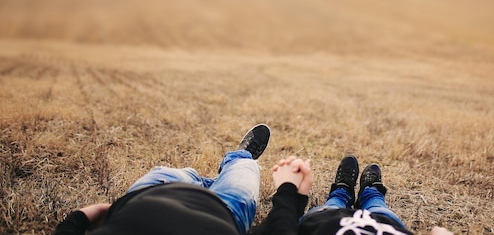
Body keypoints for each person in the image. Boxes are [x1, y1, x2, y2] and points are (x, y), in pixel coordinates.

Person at [53, 124, 273, 235]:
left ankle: (198, 178)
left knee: (179, 172)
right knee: (246, 167)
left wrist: (109, 212)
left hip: (150, 192)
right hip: (227, 211)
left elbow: (73, 224)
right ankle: (239, 158)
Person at [254, 155, 452, 235]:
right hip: (386, 225)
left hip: (324, 220)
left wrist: (290, 191)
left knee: (335, 202)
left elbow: (278, 229)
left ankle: (343, 189)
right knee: (377, 204)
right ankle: (370, 190)